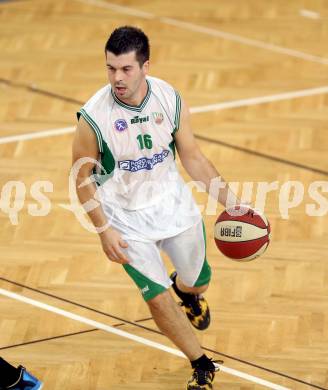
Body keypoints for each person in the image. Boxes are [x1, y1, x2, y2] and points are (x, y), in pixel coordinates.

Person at [72, 26, 242, 389]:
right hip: (124, 218)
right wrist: (104, 229)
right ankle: (201, 362)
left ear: (145, 66)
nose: (117, 78)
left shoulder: (169, 98)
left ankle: (188, 294)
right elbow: (82, 177)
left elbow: (193, 158)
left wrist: (233, 205)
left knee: (198, 282)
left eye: (126, 69)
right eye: (110, 69)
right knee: (156, 298)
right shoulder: (93, 116)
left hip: (173, 206)